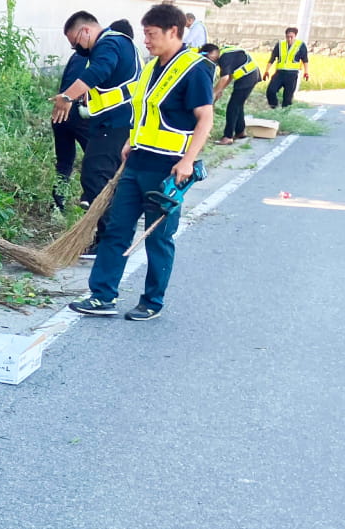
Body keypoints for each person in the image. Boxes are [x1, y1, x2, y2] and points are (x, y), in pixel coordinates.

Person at [68, 2, 214, 322]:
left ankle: (152, 301)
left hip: (168, 168)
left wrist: (188, 161)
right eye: (145, 33)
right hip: (136, 161)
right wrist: (130, 141)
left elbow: (205, 119)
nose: (145, 40)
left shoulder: (194, 69)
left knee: (158, 238)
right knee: (117, 229)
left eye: (151, 34)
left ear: (173, 32)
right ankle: (102, 295)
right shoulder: (151, 67)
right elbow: (143, 110)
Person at [51, 11, 142, 258]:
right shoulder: (113, 44)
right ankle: (112, 238)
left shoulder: (110, 43)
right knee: (102, 177)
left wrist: (67, 97)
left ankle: (110, 240)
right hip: (110, 123)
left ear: (86, 31)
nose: (76, 49)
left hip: (116, 123)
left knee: (95, 176)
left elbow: (99, 71)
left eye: (75, 42)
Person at [51, 46, 90, 212]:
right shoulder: (104, 56)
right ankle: (89, 199)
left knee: (64, 162)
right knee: (95, 159)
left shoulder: (77, 55)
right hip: (81, 115)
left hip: (59, 112)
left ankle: (57, 205)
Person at [204, 42, 261, 144]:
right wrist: (220, 90)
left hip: (247, 77)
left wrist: (214, 93)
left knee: (232, 106)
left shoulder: (224, 58)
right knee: (238, 104)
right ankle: (240, 131)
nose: (212, 62)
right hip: (249, 75)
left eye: (208, 59)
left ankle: (228, 137)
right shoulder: (225, 53)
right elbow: (229, 76)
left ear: (211, 53)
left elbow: (224, 78)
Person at [264, 27, 310, 108]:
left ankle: (285, 114)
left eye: (291, 37)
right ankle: (274, 108)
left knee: (287, 99)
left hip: (292, 75)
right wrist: (266, 71)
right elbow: (272, 58)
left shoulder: (300, 45)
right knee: (271, 91)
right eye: (288, 37)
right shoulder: (280, 44)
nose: (289, 39)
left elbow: (305, 60)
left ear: (295, 36)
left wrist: (306, 72)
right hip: (279, 74)